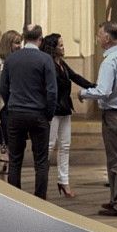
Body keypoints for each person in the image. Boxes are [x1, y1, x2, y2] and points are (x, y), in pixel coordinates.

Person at [76, 22, 117, 215]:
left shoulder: (110, 61)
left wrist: (83, 93)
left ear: (107, 38)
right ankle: (115, 199)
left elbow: (103, 91)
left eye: (99, 35)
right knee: (115, 159)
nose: (97, 38)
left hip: (115, 114)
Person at [0, 28, 57, 194]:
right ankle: (39, 200)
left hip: (16, 113)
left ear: (24, 39)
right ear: (40, 39)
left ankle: (16, 198)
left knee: (15, 160)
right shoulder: (45, 59)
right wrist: (49, 114)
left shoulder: (11, 59)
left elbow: (3, 87)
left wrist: (11, 105)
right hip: (38, 113)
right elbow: (52, 91)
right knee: (41, 161)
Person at [41, 32, 80, 197]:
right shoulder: (49, 63)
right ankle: (41, 180)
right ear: (53, 48)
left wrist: (95, 88)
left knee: (65, 146)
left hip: (65, 108)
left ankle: (64, 181)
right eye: (61, 45)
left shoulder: (62, 64)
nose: (64, 48)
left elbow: (76, 77)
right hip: (53, 109)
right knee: (49, 146)